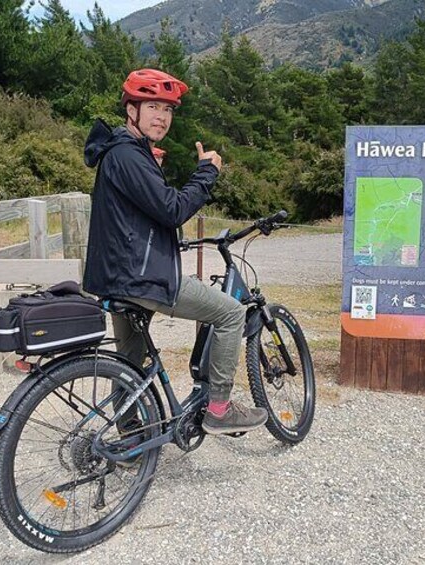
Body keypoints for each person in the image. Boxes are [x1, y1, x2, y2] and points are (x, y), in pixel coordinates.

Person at [82, 68, 268, 435]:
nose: (162, 117)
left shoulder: (126, 153)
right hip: (141, 278)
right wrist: (206, 174)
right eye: (152, 106)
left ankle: (129, 434)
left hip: (117, 278)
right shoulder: (127, 155)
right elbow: (173, 209)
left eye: (168, 110)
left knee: (130, 361)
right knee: (231, 313)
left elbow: (141, 218)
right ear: (130, 110)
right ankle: (219, 408)